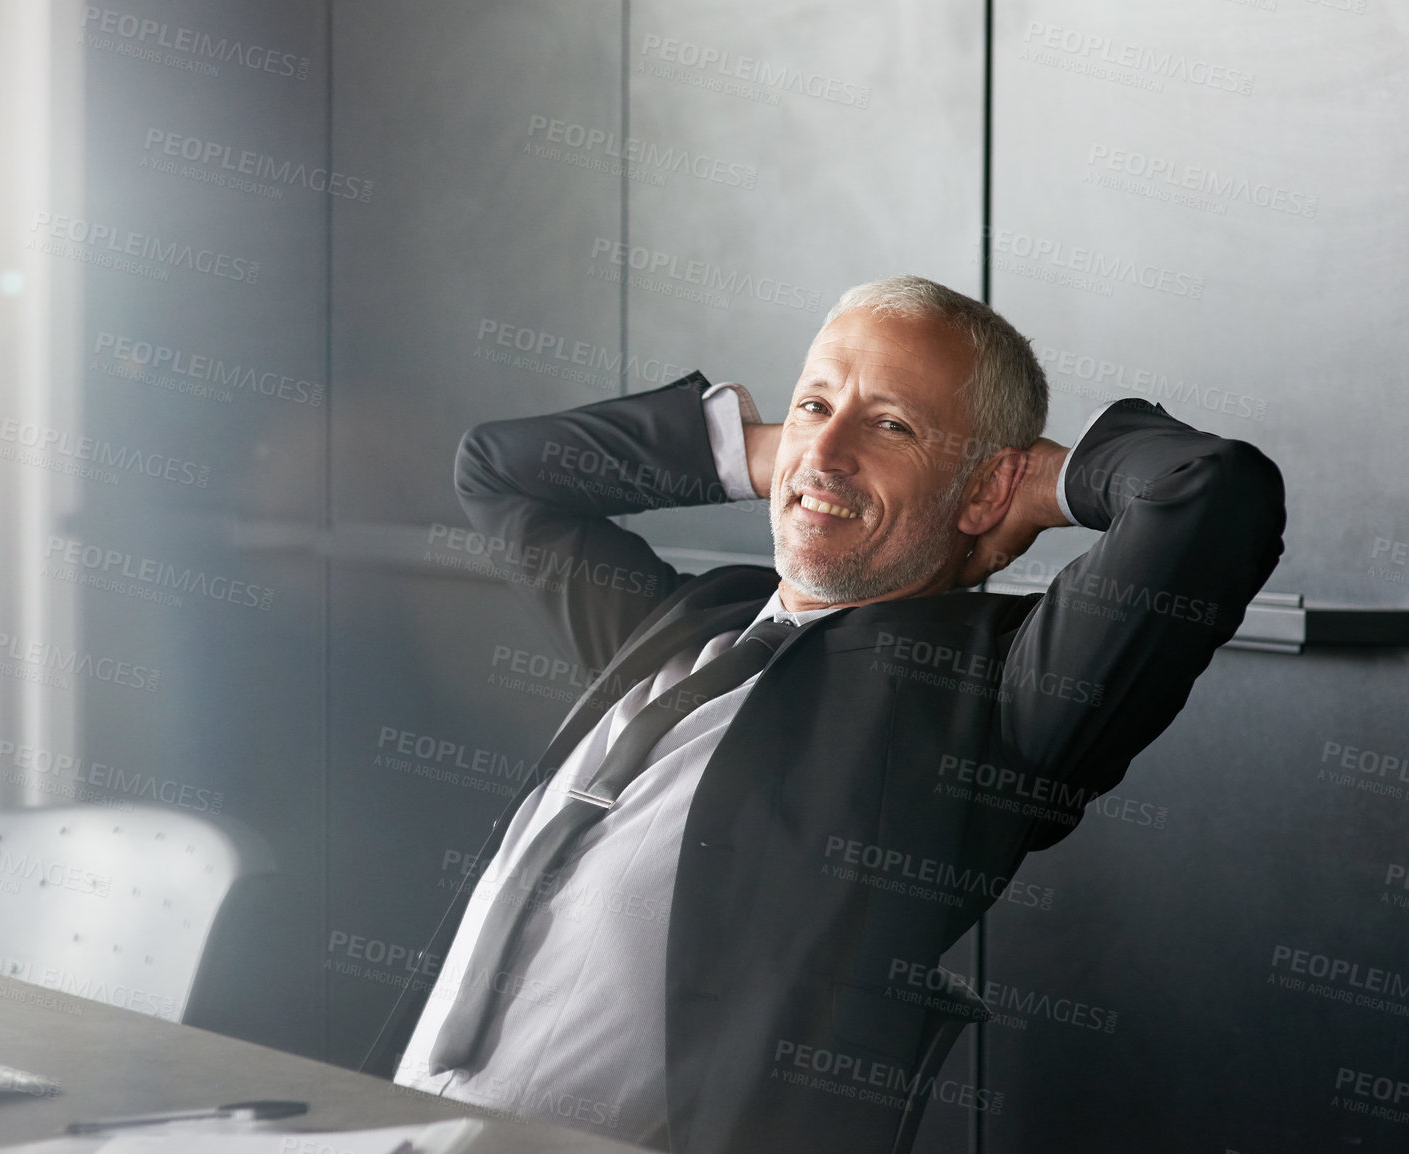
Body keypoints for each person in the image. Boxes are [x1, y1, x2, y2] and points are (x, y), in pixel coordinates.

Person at [374, 275, 1286, 1154]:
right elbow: (500, 471)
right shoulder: (685, 620)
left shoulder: (994, 700)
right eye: (816, 404)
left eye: (892, 424)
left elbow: (1209, 490)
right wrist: (781, 454)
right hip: (395, 1120)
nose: (829, 448)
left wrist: (1032, 484)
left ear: (981, 490)